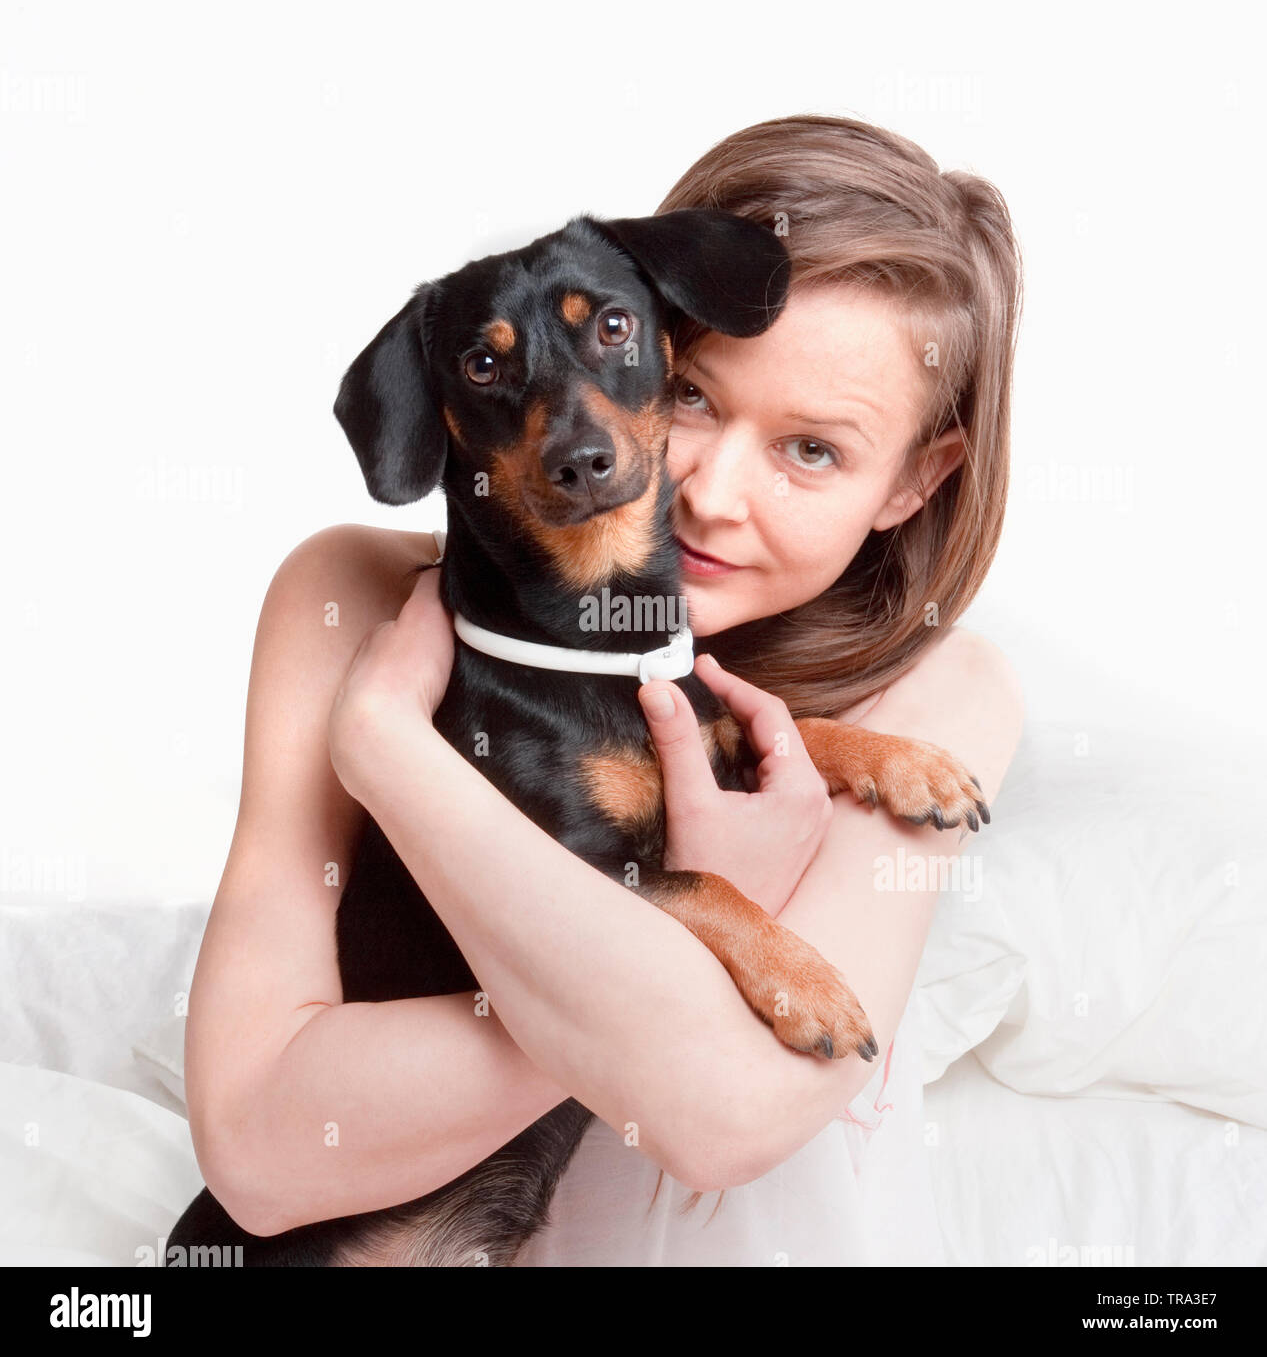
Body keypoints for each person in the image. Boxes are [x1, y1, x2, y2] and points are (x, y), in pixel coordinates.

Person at [182, 113, 1025, 1266]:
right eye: (693, 400)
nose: (712, 493)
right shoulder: (351, 606)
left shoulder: (938, 703)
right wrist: (385, 733)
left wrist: (393, 760)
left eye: (813, 449)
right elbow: (260, 1160)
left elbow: (720, 1112)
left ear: (913, 484)